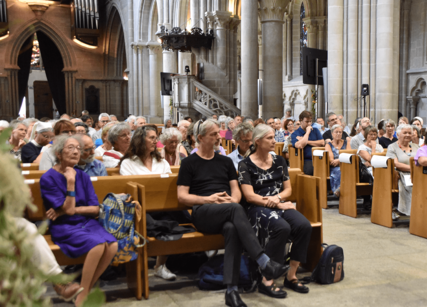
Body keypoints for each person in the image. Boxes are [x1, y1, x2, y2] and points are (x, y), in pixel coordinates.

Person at [177, 120, 290, 307]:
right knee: (235, 211)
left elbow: (235, 191)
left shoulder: (225, 161)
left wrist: (233, 200)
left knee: (232, 229)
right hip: (203, 212)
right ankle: (264, 262)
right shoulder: (189, 162)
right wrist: (209, 199)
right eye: (213, 134)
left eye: (218, 133)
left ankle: (232, 291)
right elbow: (182, 197)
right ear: (200, 138)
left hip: (227, 210)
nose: (218, 137)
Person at [40, 134, 118, 306]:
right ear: (59, 153)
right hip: (64, 226)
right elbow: (67, 210)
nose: (76, 151)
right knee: (98, 245)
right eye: (71, 148)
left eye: (78, 148)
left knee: (112, 245)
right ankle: (82, 295)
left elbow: (95, 208)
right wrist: (70, 182)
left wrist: (69, 210)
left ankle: (85, 288)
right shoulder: (48, 178)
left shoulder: (82, 176)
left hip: (86, 222)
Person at [238, 124, 312, 298]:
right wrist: (277, 204)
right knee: (282, 228)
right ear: (257, 141)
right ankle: (267, 279)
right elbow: (249, 196)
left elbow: (288, 190)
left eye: (274, 137)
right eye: (269, 138)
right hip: (257, 208)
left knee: (304, 225)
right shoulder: (245, 165)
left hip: (278, 203)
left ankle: (291, 275)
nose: (274, 141)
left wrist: (278, 199)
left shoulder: (279, 161)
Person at [118, 125, 174, 280]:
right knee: (153, 223)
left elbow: (168, 185)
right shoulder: (128, 163)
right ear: (140, 140)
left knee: (172, 217)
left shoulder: (161, 162)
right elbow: (129, 191)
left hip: (162, 206)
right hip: (139, 209)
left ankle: (160, 265)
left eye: (156, 138)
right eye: (152, 138)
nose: (155, 141)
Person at [386, 124, 419, 217]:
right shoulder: (392, 147)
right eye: (405, 133)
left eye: (410, 133)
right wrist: (413, 169)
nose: (408, 135)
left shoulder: (416, 146)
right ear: (398, 134)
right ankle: (415, 214)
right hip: (402, 174)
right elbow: (396, 164)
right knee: (414, 188)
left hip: (418, 173)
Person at [291, 111, 325, 175]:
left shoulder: (315, 130)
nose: (309, 124)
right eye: (307, 121)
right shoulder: (295, 133)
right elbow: (300, 145)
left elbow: (322, 142)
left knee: (327, 168)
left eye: (310, 121)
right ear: (301, 121)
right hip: (307, 160)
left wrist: (306, 141)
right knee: (311, 169)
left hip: (319, 157)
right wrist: (307, 132)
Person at [326, 124, 347, 197]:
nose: (338, 134)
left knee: (349, 171)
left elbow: (350, 155)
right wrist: (342, 160)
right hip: (335, 168)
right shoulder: (328, 145)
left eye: (340, 132)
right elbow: (332, 161)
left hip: (347, 165)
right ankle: (338, 191)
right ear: (332, 133)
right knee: (338, 170)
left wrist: (339, 160)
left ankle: (342, 189)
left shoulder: (346, 143)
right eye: (336, 132)